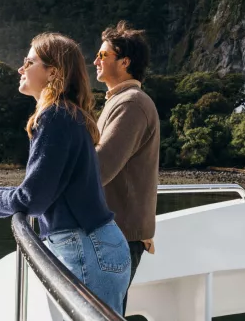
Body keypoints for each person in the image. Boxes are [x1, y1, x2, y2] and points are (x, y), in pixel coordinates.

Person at [0, 32, 131, 315]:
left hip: (86, 249)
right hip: (95, 246)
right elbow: (39, 192)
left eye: (29, 62)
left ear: (52, 72)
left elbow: (32, 200)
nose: (21, 69)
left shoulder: (55, 117)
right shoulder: (67, 114)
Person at [93, 21, 160, 313]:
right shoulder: (119, 101)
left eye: (103, 55)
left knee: (102, 313)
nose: (95, 60)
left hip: (118, 235)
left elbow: (101, 167)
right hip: (117, 232)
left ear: (125, 62)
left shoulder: (131, 103)